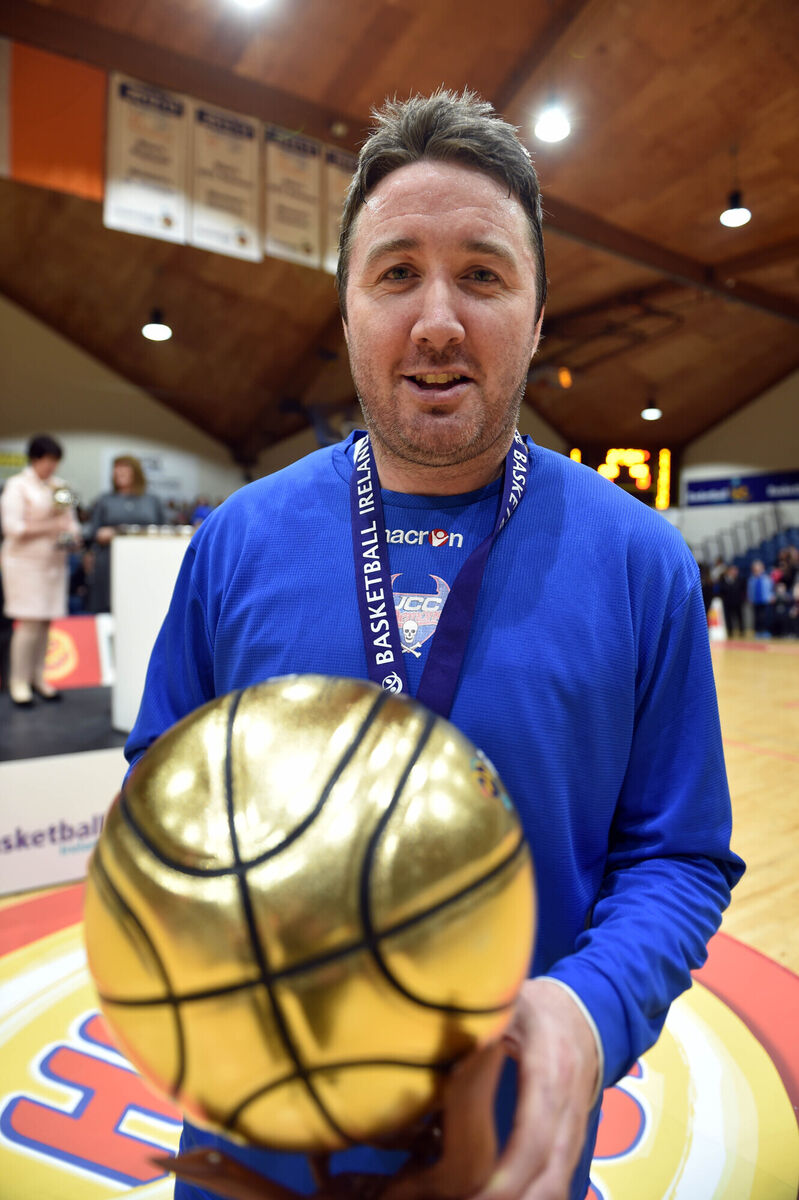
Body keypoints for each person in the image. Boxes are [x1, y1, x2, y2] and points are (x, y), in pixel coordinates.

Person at [126, 90, 744, 1200]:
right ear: (350, 307)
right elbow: (155, 789)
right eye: (397, 272)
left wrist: (586, 1011)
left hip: (507, 1160)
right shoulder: (235, 542)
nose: (439, 319)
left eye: (485, 274)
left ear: (540, 315)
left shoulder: (640, 561)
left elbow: (677, 856)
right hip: (255, 1153)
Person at [0, 434, 81, 706]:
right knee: (29, 623)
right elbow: (13, 529)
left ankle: (38, 677)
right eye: (46, 460)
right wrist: (50, 527)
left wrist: (70, 541)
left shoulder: (61, 487)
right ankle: (18, 681)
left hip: (53, 565)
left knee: (46, 623)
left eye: (55, 462)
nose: (51, 467)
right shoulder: (17, 486)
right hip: (23, 565)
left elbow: (71, 526)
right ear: (34, 459)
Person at [86, 454, 165, 612]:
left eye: (125, 468)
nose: (119, 472)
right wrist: (106, 534)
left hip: (145, 561)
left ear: (136, 472)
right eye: (117, 469)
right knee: (107, 607)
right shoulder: (105, 500)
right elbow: (92, 534)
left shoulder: (152, 500)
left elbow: (163, 530)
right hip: (109, 562)